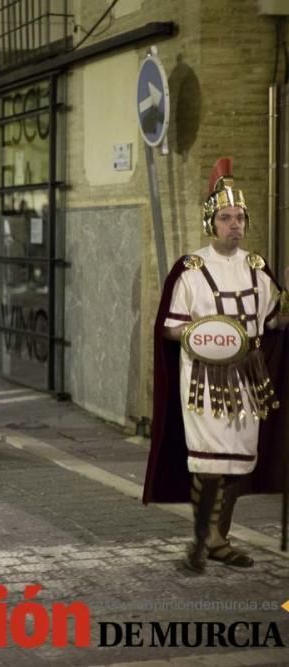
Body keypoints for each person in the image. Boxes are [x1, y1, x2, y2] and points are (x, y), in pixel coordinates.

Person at [143, 158, 289, 573]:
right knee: (208, 462)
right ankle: (202, 541)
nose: (235, 225)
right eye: (226, 217)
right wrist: (206, 337)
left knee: (238, 461)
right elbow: (170, 328)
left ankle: (216, 538)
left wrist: (286, 308)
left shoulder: (259, 271)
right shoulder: (190, 272)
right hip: (204, 379)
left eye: (239, 217)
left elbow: (271, 323)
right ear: (212, 221)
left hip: (249, 377)